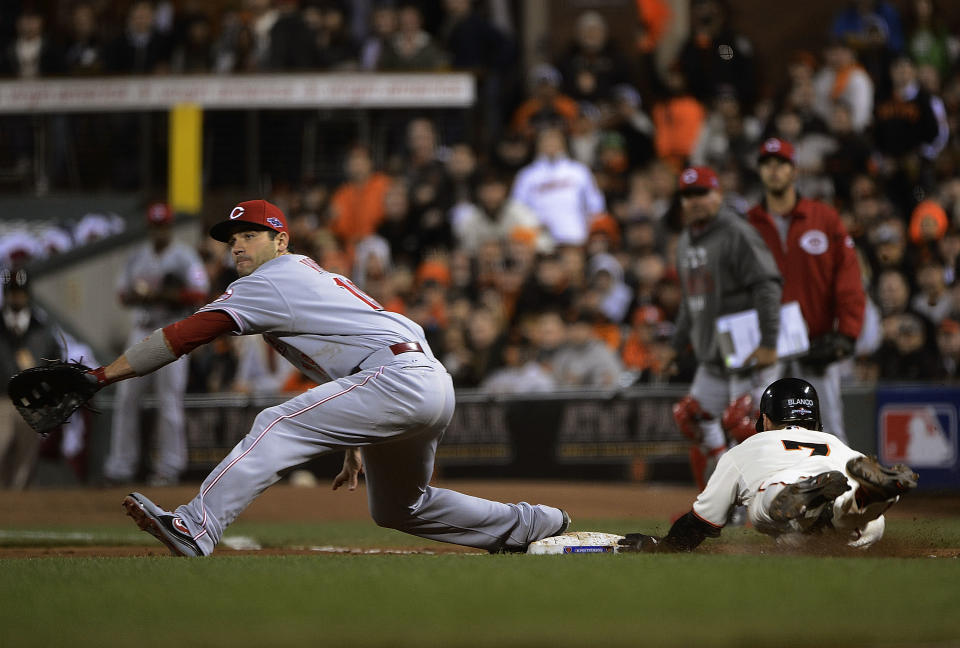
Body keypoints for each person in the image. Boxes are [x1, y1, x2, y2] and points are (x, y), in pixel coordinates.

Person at [100, 200, 568, 556]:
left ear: (281, 241)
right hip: (421, 381)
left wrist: (101, 376)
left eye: (250, 234)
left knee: (275, 423)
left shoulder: (270, 279)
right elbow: (348, 361)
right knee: (398, 508)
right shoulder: (302, 277)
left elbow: (186, 333)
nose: (237, 244)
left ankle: (194, 526)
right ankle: (530, 525)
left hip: (399, 378)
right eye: (232, 238)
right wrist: (355, 439)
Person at [618, 378, 918, 553]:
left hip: (781, 494)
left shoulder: (746, 449)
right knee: (848, 518)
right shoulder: (836, 443)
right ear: (816, 421)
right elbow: (856, 465)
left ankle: (806, 498)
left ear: (763, 421)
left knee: (766, 510)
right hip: (854, 523)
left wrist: (661, 544)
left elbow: (701, 524)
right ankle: (871, 498)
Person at [670, 166, 783, 490]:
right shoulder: (685, 242)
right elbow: (689, 302)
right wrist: (675, 346)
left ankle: (765, 502)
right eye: (688, 195)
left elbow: (767, 285)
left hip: (747, 350)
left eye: (702, 193)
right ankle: (721, 503)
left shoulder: (737, 232)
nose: (694, 201)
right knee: (691, 418)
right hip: (713, 358)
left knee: (746, 427)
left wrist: (769, 341)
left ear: (717, 194)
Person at [747, 138, 865, 443]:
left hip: (816, 340)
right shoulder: (748, 225)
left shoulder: (823, 218)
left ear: (794, 171)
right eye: (767, 164)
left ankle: (839, 490)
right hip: (766, 344)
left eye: (781, 164)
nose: (774, 171)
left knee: (828, 427)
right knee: (759, 429)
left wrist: (848, 332)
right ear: (760, 171)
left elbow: (848, 276)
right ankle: (768, 490)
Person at [103, 203, 209, 487]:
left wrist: (162, 294)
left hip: (172, 330)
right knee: (127, 399)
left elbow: (199, 291)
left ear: (170, 227)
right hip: (141, 329)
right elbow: (123, 296)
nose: (159, 231)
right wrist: (151, 296)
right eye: (155, 226)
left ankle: (170, 467)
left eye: (163, 226)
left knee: (169, 401)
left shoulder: (185, 257)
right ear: (150, 228)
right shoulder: (137, 256)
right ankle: (120, 467)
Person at [0, 269, 61, 489]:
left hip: (31, 401)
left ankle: (19, 511)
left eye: (20, 292)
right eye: (12, 292)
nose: (16, 297)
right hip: (2, 398)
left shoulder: (41, 328)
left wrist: (48, 395)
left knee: (25, 462)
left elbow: (55, 362)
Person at [511, 126, 606, 247]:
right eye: (546, 140)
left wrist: (589, 230)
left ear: (563, 143)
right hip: (541, 242)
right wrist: (533, 224)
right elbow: (516, 208)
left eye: (555, 140)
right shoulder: (527, 175)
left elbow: (595, 204)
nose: (551, 144)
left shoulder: (578, 171)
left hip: (576, 237)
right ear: (538, 144)